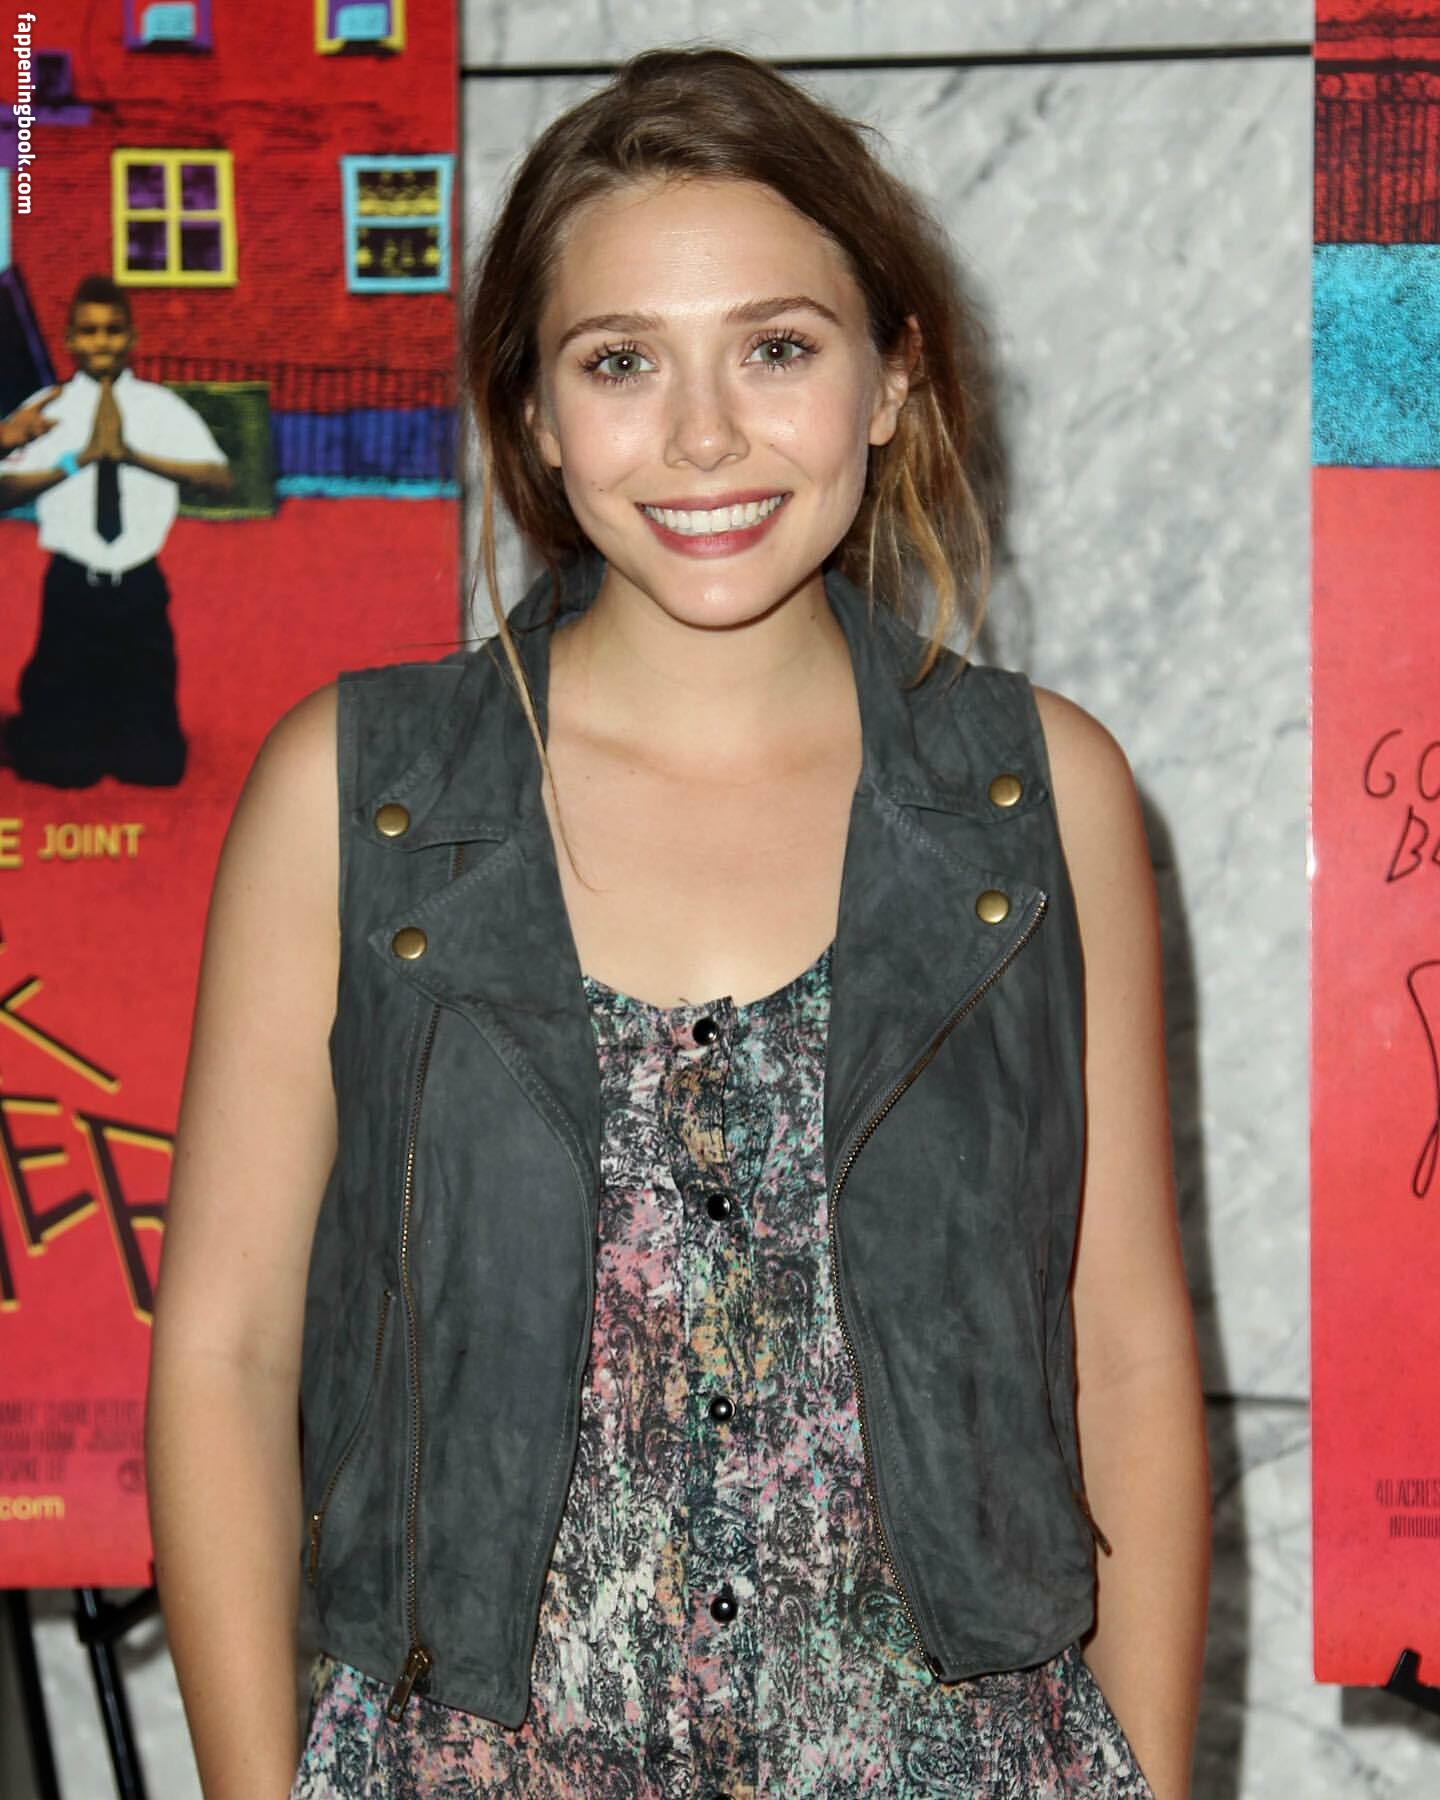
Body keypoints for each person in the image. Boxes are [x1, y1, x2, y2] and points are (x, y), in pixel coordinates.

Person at [145, 46, 1210, 1800]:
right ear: (535, 416)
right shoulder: (361, 791)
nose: (705, 436)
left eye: (776, 348)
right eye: (621, 361)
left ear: (891, 377)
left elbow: (1126, 1349)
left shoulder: (1038, 796)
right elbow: (228, 1355)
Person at [0, 274, 232, 788]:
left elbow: (219, 479)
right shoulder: (48, 407)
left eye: (112, 330)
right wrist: (76, 461)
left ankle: (127, 728)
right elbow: (4, 491)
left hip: (139, 588)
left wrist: (133, 456)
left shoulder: (160, 407)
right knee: (61, 769)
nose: (101, 342)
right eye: (88, 331)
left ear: (132, 337)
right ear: (69, 339)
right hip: (72, 588)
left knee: (155, 769)